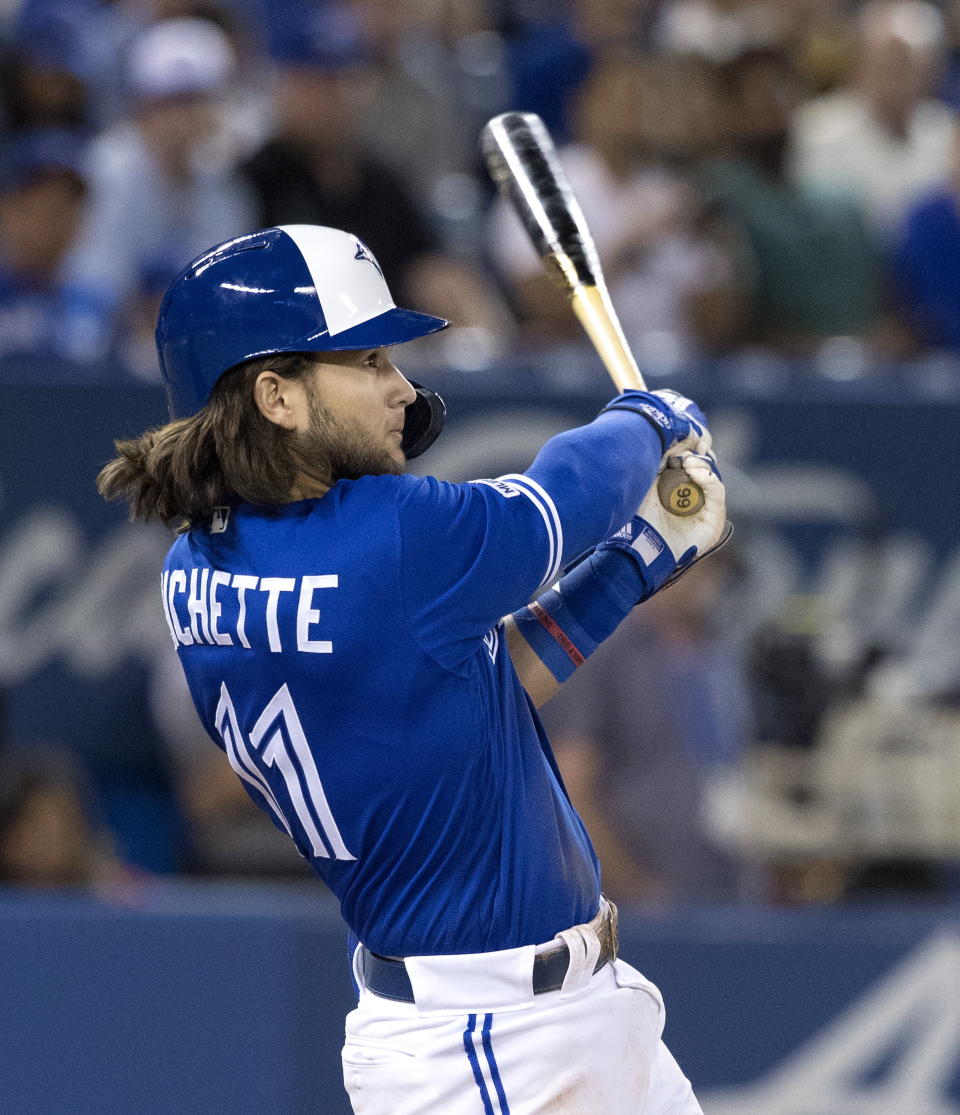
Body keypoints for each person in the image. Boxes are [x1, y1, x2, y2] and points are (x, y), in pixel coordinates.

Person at [97, 222, 728, 1114]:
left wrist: (635, 567)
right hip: (490, 1040)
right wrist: (654, 416)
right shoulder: (388, 537)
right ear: (274, 395)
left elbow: (474, 691)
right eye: (365, 362)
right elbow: (564, 495)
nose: (403, 388)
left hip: (522, 1015)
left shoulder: (198, 569)